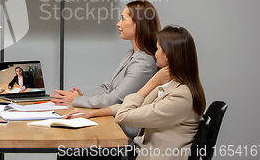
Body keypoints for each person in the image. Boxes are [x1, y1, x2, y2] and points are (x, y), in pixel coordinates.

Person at [65, 26, 206, 160]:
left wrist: (152, 82)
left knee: (75, 155)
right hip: (146, 152)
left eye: (157, 49)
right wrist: (93, 113)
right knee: (73, 154)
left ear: (168, 56)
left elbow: (124, 115)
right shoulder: (171, 87)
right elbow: (136, 107)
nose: (155, 54)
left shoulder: (181, 97)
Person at [52, 0, 160, 118]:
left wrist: (76, 100)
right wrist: (82, 96)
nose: (118, 24)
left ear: (138, 24)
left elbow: (115, 99)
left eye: (123, 19)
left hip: (123, 126)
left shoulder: (144, 62)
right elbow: (110, 87)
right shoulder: (131, 54)